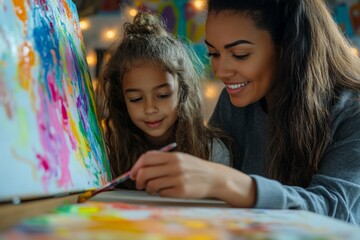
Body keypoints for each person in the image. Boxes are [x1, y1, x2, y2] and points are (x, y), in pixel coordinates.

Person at [130, 0, 360, 225]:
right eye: (214, 53)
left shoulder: (352, 110)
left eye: (240, 54)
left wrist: (226, 182)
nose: (220, 71)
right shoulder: (234, 103)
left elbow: (333, 210)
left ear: (288, 48)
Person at [95, 11, 231, 189]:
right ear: (122, 99)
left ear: (182, 91)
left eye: (163, 95)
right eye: (136, 99)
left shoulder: (211, 151)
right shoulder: (111, 150)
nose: (150, 109)